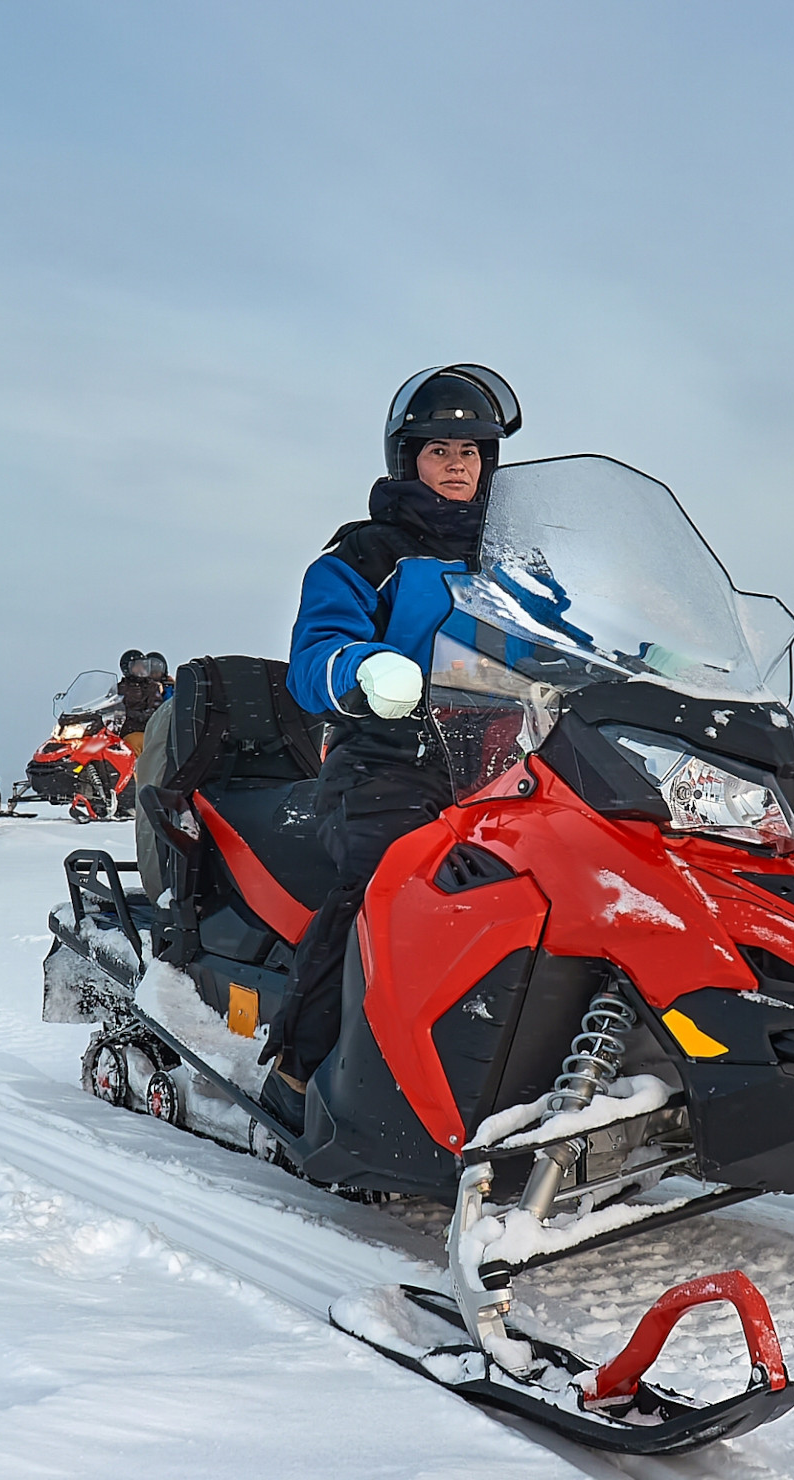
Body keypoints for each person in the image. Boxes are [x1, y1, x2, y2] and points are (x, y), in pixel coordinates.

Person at [263, 364, 522, 1123]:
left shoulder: (518, 564)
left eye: (471, 452)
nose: (456, 466)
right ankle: (300, 1067)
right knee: (387, 881)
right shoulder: (364, 555)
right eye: (439, 451)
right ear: (407, 458)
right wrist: (364, 666)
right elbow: (314, 658)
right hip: (390, 759)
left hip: (506, 759)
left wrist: (658, 661)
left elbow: (577, 637)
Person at [114, 648, 166, 739]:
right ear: (127, 668)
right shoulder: (119, 689)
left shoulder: (152, 687)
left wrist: (141, 716)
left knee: (135, 742)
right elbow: (110, 706)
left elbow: (156, 709)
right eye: (137, 666)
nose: (141, 669)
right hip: (121, 731)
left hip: (144, 731)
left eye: (143, 666)